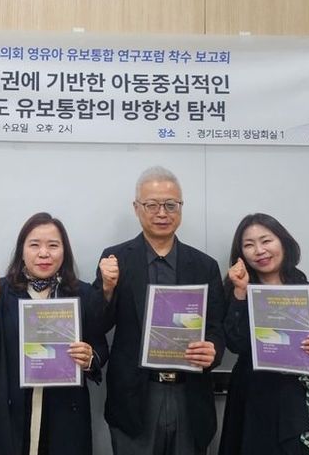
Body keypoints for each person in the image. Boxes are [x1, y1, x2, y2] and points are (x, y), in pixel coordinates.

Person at [95, 166, 226, 455]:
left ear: (181, 207)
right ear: (136, 208)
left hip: (190, 396)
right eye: (152, 205)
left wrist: (213, 350)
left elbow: (216, 328)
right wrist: (106, 288)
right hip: (135, 399)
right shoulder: (115, 259)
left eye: (171, 205)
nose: (162, 213)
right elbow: (98, 325)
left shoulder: (204, 265)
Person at [0, 212, 109, 455]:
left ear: (64, 252)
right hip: (9, 413)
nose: (44, 253)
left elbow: (100, 347)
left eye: (53, 245)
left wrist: (89, 358)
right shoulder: (1, 291)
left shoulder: (82, 293)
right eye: (34, 245)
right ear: (22, 251)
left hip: (64, 414)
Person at [219, 213, 309, 455]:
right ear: (241, 253)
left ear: (283, 243)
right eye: (249, 245)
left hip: (299, 406)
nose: (259, 250)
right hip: (251, 403)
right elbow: (235, 343)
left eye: (266, 240)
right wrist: (240, 292)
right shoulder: (236, 294)